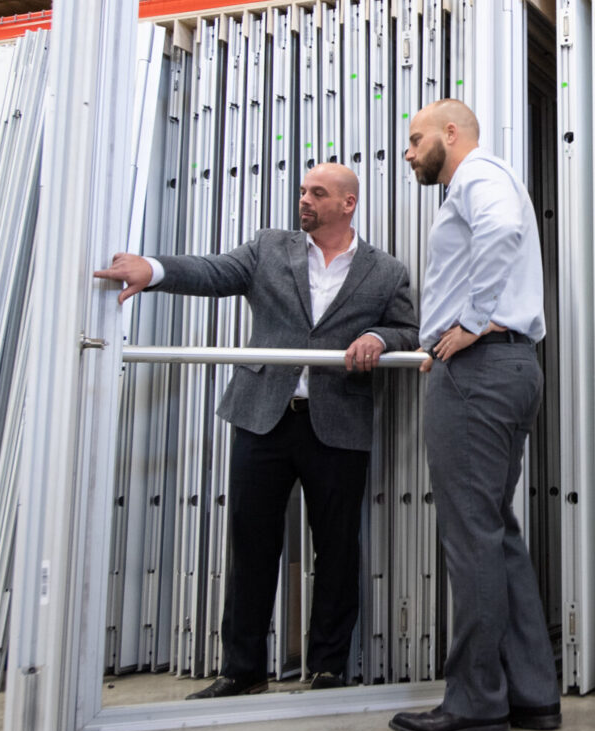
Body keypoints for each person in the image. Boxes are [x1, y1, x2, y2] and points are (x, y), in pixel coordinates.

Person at [92, 163, 418, 697]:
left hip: (337, 426)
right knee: (250, 546)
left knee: (336, 549)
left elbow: (407, 329)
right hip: (262, 417)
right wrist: (153, 269)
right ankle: (242, 670)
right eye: (302, 191)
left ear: (348, 203)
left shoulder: (385, 271)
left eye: (317, 193)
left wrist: (380, 338)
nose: (304, 199)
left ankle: (328, 668)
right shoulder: (269, 247)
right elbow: (216, 272)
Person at [389, 99, 560, 731]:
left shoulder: (477, 177)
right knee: (494, 535)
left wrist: (465, 323)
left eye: (415, 139)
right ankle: (532, 695)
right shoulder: (487, 179)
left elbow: (501, 231)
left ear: (450, 134)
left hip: (480, 371)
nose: (408, 153)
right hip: (506, 368)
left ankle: (476, 700)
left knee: (471, 541)